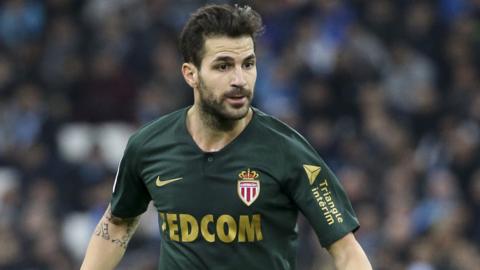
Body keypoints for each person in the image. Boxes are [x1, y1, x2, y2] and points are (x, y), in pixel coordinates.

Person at [81, 4, 372, 270]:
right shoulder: (148, 146)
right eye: (223, 66)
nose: (239, 80)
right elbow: (117, 226)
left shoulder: (287, 150)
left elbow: (346, 251)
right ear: (190, 74)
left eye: (248, 64)